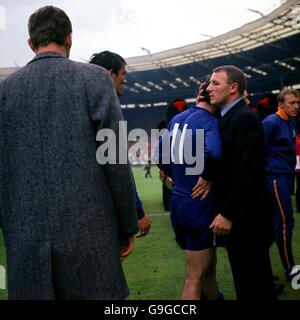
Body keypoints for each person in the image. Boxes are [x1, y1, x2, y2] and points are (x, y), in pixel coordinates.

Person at [0, 6, 138, 299]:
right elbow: (114, 158)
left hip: (26, 244)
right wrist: (128, 223)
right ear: (70, 38)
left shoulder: (4, 92)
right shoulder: (95, 79)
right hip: (89, 239)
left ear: (30, 43)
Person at [193, 65, 276, 300]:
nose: (209, 88)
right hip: (241, 218)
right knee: (246, 282)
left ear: (233, 88)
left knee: (255, 285)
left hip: (247, 219)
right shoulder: (227, 116)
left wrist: (228, 213)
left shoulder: (245, 118)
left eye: (215, 83)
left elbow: (247, 172)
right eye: (208, 84)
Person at [157, 81, 223, 300]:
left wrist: (175, 176)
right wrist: (209, 176)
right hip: (199, 203)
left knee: (207, 271)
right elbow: (214, 154)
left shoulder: (176, 118)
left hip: (178, 201)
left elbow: (159, 156)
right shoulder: (211, 121)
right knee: (193, 278)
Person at [89, 50, 151, 237]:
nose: (125, 80)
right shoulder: (107, 110)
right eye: (123, 73)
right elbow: (118, 167)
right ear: (109, 74)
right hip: (103, 213)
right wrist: (137, 212)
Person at [263, 88, 300, 282]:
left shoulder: (292, 123)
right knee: (286, 223)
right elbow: (258, 151)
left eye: (297, 103)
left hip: (286, 177)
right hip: (275, 179)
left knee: (273, 226)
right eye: (291, 103)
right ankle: (291, 271)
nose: (296, 106)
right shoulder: (271, 122)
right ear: (281, 104)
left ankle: (261, 269)